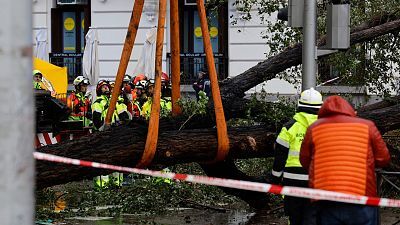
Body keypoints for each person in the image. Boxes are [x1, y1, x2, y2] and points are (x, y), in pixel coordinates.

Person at [300, 95, 390, 225]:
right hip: (361, 195)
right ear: (351, 111)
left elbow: (304, 161)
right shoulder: (367, 126)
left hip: (325, 196)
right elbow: (383, 159)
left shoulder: (314, 128)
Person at [270, 87, 323, 225]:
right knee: (312, 217)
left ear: (299, 105)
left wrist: (275, 179)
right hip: (316, 179)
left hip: (292, 181)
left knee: (294, 217)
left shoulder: (289, 127)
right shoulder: (325, 128)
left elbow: (280, 155)